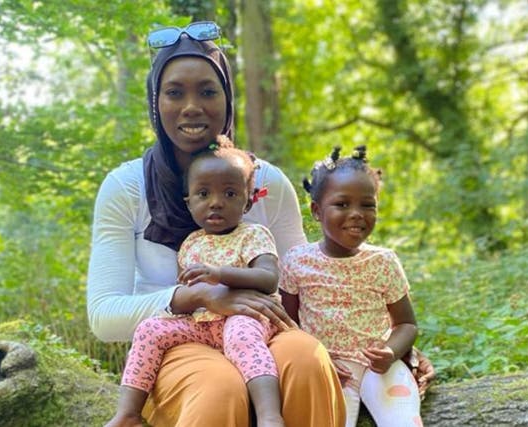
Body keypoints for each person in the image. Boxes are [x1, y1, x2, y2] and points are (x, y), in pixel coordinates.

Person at [87, 21, 345, 427]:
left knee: (306, 359)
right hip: (180, 343)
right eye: (175, 93)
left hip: (263, 330)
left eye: (208, 91)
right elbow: (104, 316)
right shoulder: (126, 187)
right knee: (218, 386)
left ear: (228, 98)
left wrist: (379, 351)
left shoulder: (266, 182)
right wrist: (200, 297)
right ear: (156, 102)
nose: (192, 106)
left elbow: (306, 287)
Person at [105, 136, 284, 427]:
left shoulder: (254, 235)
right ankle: (128, 413)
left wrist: (220, 274)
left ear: (248, 201)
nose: (215, 203)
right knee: (150, 328)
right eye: (203, 194)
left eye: (229, 194)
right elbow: (189, 293)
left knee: (241, 335)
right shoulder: (191, 244)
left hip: (245, 317)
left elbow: (268, 278)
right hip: (202, 325)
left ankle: (269, 416)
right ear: (188, 203)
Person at [280, 146, 422, 427]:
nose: (357, 214)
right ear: (316, 211)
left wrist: (390, 353)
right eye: (342, 204)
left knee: (403, 421)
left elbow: (407, 325)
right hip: (327, 369)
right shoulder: (297, 261)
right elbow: (288, 324)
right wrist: (315, 362)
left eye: (367, 205)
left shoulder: (383, 262)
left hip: (379, 368)